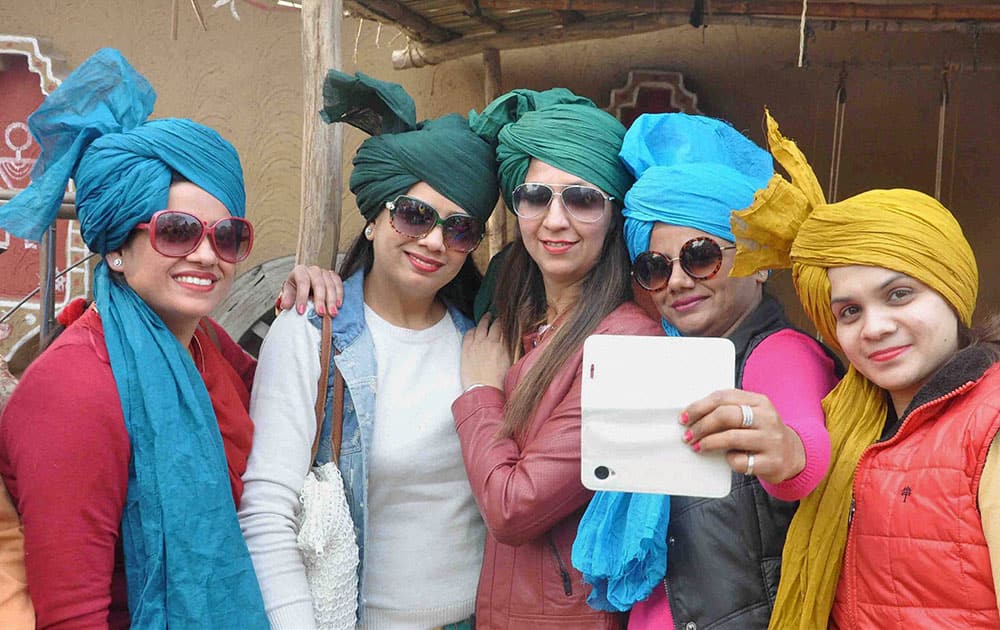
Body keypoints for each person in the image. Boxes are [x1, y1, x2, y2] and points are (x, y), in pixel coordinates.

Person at [0, 49, 330, 629]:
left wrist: (308, 297)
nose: (206, 254)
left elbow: (297, 413)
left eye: (226, 235)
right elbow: (70, 614)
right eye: (177, 231)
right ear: (116, 249)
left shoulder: (210, 347)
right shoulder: (74, 391)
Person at [238, 70, 499, 629]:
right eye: (414, 214)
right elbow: (266, 512)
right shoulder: (311, 333)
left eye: (459, 229)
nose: (433, 240)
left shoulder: (482, 342)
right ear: (377, 217)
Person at [571, 112, 840, 629]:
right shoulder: (668, 362)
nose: (676, 281)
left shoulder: (779, 351)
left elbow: (804, 446)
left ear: (758, 264)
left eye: (700, 257)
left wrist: (786, 454)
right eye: (654, 267)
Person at [733, 111, 1000, 629]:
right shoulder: (850, 421)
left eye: (899, 295)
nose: (874, 328)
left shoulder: (990, 424)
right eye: (849, 311)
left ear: (951, 290)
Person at [454, 88, 662, 629]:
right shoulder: (515, 317)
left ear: (615, 212)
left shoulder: (626, 345)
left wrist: (481, 394)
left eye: (583, 199)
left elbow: (513, 507)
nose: (554, 219)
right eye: (536, 196)